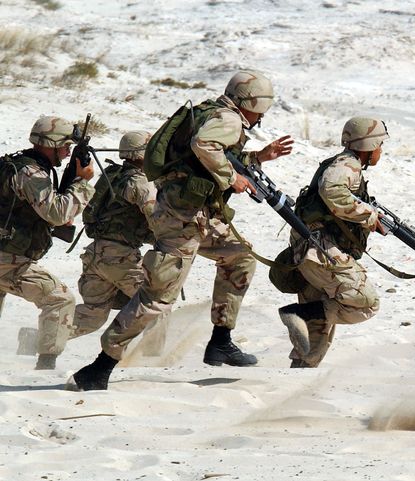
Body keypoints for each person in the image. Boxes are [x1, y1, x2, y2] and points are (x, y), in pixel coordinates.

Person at [67, 70, 294, 390]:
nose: (261, 116)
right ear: (252, 102)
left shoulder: (211, 113)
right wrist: (232, 179)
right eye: (262, 109)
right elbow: (205, 146)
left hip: (198, 216)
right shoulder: (227, 120)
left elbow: (208, 157)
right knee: (157, 298)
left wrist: (258, 157)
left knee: (240, 257)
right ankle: (99, 368)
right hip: (181, 221)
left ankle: (220, 339)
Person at [277, 117, 388, 368]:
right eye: (379, 145)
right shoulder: (348, 165)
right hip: (321, 253)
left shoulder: (343, 164)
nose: (381, 150)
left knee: (315, 333)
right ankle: (295, 313)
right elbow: (332, 190)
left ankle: (295, 383)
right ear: (368, 146)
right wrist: (368, 215)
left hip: (312, 251)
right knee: (366, 302)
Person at [0, 116, 95, 369]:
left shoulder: (16, 164)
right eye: (65, 147)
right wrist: (82, 183)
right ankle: (46, 365)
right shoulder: (31, 173)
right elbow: (57, 213)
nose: (66, 153)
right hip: (8, 260)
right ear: (50, 144)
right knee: (60, 300)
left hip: (7, 254)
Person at [70, 131, 164, 351]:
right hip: (121, 258)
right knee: (157, 302)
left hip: (95, 254)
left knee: (92, 315)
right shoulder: (140, 183)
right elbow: (158, 219)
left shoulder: (112, 175)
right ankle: (154, 358)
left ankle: (40, 338)